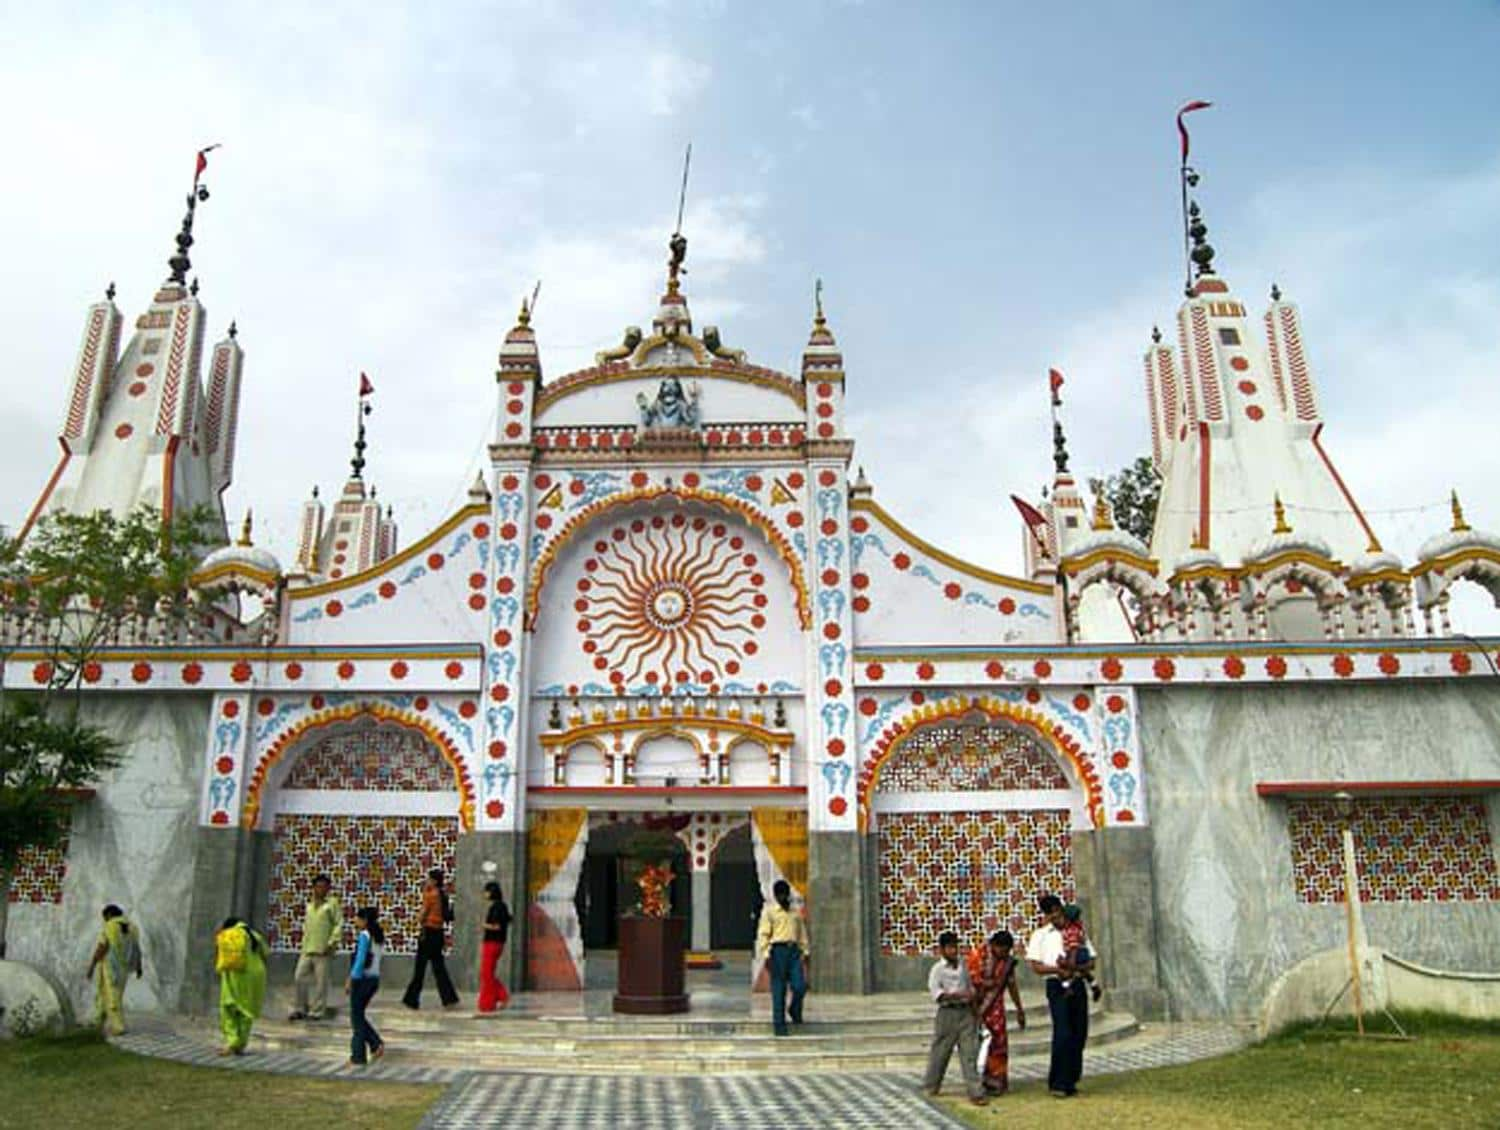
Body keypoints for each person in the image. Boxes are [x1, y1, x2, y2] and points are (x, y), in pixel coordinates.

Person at [1028, 894, 1092, 1098]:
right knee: (1063, 1032)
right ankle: (1058, 1082)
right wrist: (1057, 970)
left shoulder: (1076, 930)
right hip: (1056, 985)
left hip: (1077, 981)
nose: (1054, 915)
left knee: (1079, 1031)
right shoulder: (1040, 935)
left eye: (1056, 910)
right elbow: (1036, 966)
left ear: (1061, 909)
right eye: (1050, 912)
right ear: (1045, 915)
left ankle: (1071, 1078)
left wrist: (1075, 968)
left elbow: (1091, 961)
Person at [923, 930, 988, 1106]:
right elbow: (938, 995)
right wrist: (958, 995)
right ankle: (932, 1084)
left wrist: (975, 1009)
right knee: (941, 1051)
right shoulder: (937, 970)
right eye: (950, 948)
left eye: (955, 947)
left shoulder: (963, 965)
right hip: (947, 1014)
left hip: (966, 1013)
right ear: (942, 950)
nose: (954, 951)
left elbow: (970, 987)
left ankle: (975, 1091)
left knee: (969, 1053)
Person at [973, 929, 1025, 1095]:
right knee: (977, 1043)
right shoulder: (978, 955)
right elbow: (970, 978)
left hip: (995, 1006)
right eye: (1002, 950)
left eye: (1007, 951)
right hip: (976, 1003)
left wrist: (1019, 1009)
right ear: (994, 945)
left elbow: (1011, 984)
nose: (1004, 954)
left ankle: (996, 1080)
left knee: (999, 1042)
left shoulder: (1007, 962)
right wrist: (984, 984)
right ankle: (975, 1080)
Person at [754, 878, 809, 1037]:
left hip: (793, 952)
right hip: (777, 951)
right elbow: (763, 934)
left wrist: (805, 952)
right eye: (780, 895)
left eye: (785, 895)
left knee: (799, 986)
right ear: (776, 896)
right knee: (779, 990)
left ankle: (794, 1009)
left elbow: (802, 934)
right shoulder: (770, 912)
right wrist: (765, 954)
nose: (783, 898)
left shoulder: (795, 913)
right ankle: (779, 1025)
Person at [402, 868, 459, 1009]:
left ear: (433, 881)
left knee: (420, 967)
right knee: (439, 967)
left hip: (428, 932)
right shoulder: (442, 895)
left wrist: (417, 918)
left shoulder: (430, 895)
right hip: (438, 933)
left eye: (429, 879)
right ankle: (449, 998)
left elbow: (422, 915)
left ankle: (411, 999)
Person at [290, 873, 343, 1021]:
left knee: (321, 982)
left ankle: (317, 1011)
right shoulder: (309, 905)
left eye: (324, 887)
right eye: (318, 886)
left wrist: (332, 942)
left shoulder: (332, 904)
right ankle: (300, 1008)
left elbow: (338, 924)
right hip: (307, 948)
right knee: (299, 977)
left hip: (323, 949)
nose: (320, 889)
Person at [84, 904, 142, 1036]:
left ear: (109, 915)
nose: (104, 920)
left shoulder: (110, 926)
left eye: (104, 917)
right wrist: (139, 967)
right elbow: (136, 949)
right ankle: (98, 1019)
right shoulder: (132, 928)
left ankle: (118, 1026)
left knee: (112, 997)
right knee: (105, 993)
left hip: (110, 967)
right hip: (124, 968)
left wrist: (92, 965)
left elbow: (102, 947)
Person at [215, 916, 268, 1056]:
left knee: (228, 1007)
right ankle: (241, 1044)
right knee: (246, 1011)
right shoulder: (253, 934)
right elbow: (266, 952)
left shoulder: (230, 934)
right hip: (256, 975)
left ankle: (232, 1042)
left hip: (236, 974)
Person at [344, 905, 386, 1067]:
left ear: (364, 920)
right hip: (374, 979)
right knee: (358, 1015)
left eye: (358, 918)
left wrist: (351, 979)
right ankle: (375, 1044)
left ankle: (358, 1056)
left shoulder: (364, 935)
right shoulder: (378, 936)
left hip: (362, 979)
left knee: (356, 1018)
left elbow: (360, 960)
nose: (355, 921)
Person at [477, 880, 512, 1013]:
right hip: (497, 943)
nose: (485, 894)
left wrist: (485, 925)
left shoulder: (496, 907)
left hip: (492, 943)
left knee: (486, 973)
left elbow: (497, 926)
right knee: (487, 973)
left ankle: (488, 1003)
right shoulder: (501, 906)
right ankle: (501, 995)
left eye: (486, 891)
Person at [1059, 903, 1102, 1003]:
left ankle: (1067, 988)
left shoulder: (1071, 930)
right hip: (1082, 952)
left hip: (1077, 953)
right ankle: (1094, 985)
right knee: (1085, 973)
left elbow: (1073, 946)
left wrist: (1071, 961)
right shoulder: (1079, 928)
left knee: (1066, 973)